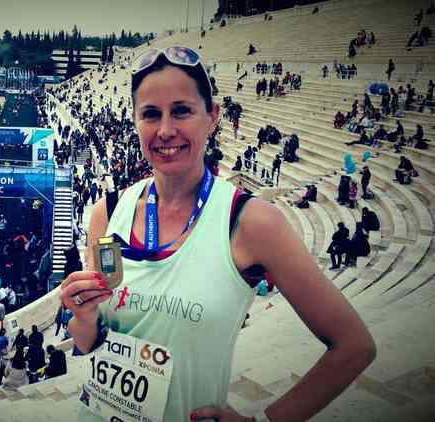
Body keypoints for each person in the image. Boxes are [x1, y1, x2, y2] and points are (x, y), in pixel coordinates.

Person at [60, 45, 375, 422]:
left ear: (212, 117)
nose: (165, 130)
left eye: (181, 111)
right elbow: (89, 343)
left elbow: (354, 346)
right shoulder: (108, 213)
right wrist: (83, 316)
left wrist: (267, 419)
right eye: (150, 114)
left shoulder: (252, 222)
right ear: (136, 122)